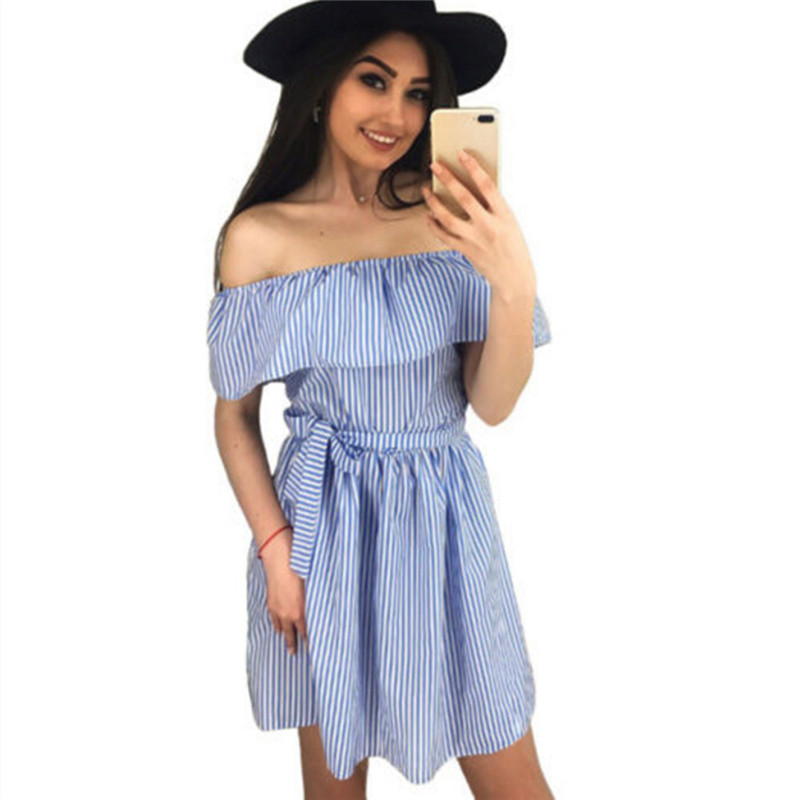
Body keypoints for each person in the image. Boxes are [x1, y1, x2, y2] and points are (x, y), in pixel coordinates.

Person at [206, 2, 556, 798]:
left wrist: (511, 283)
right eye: (374, 80)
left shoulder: (450, 217)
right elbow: (233, 416)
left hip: (447, 522)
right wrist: (276, 553)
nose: (397, 114)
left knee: (512, 772)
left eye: (418, 93)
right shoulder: (260, 238)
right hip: (323, 528)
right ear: (323, 83)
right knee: (336, 783)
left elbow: (492, 405)